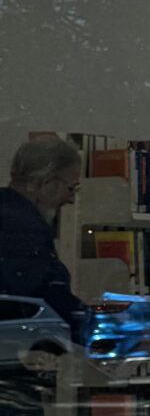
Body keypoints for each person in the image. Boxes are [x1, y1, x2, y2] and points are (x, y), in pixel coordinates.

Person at [0, 133, 87, 338]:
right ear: (47, 183)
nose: (71, 199)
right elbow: (46, 298)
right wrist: (101, 327)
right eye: (71, 188)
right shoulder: (23, 229)